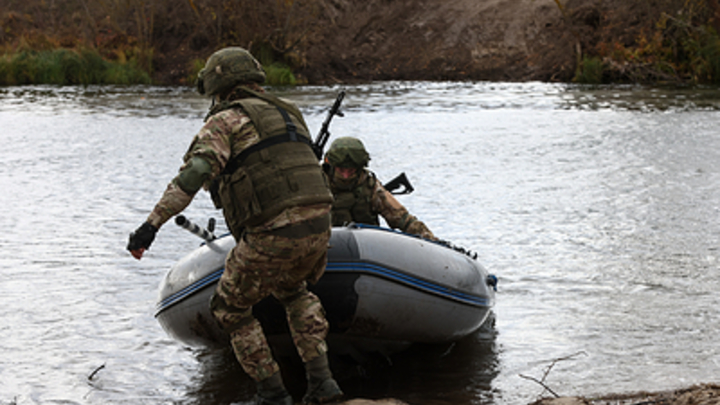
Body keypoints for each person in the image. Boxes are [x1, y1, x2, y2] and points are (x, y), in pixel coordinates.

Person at [127, 47, 343, 405]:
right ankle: (324, 386)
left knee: (230, 307)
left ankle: (272, 394)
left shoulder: (224, 121)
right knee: (296, 292)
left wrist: (150, 226)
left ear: (217, 84)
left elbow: (195, 174)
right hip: (320, 226)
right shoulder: (289, 112)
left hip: (274, 232)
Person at [324, 136, 436, 240]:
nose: (346, 176)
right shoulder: (317, 183)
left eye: (351, 171)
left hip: (364, 245)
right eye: (341, 170)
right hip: (323, 245)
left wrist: (431, 240)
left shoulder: (370, 187)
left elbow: (402, 218)